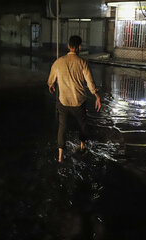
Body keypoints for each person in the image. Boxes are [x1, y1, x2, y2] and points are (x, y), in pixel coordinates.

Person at [47, 35, 101, 163]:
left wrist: (51, 85)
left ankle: (60, 155)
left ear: (68, 46)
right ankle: (82, 147)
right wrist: (96, 95)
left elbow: (50, 80)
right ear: (79, 47)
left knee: (62, 127)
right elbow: (90, 83)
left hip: (63, 101)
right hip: (78, 102)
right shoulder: (82, 63)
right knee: (82, 125)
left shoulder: (58, 62)